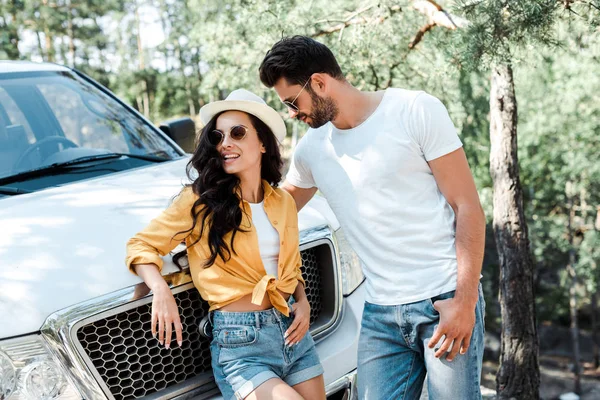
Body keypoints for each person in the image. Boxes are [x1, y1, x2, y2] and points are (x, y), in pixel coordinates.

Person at [259, 36, 486, 399]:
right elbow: (272, 211)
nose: (291, 113)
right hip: (380, 315)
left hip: (443, 300)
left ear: (319, 82)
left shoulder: (415, 110)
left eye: (291, 101)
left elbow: (468, 207)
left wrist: (465, 301)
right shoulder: (312, 151)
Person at [125, 89, 326, 400]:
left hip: (293, 333)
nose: (225, 143)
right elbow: (142, 244)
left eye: (237, 132)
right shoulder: (201, 201)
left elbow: (289, 264)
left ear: (262, 142)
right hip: (240, 342)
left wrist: (303, 302)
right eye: (217, 136)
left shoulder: (282, 201)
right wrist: (160, 289)